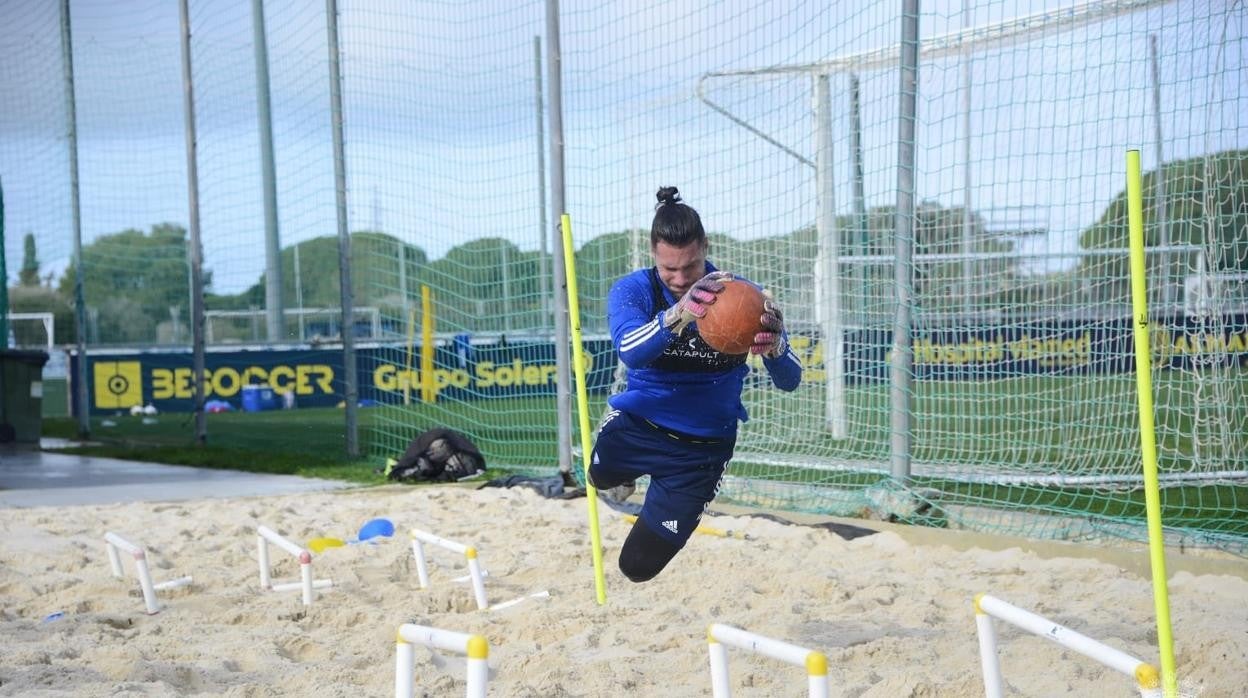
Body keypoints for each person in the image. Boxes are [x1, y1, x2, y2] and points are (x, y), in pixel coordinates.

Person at [588, 186, 802, 583]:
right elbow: (630, 351)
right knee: (598, 476)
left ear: (705, 247)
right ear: (653, 254)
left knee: (636, 568)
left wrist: (775, 347)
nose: (681, 278)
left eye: (690, 266)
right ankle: (624, 473)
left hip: (702, 448)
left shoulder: (744, 297)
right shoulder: (633, 289)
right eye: (670, 269)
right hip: (639, 422)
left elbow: (791, 380)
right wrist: (679, 314)